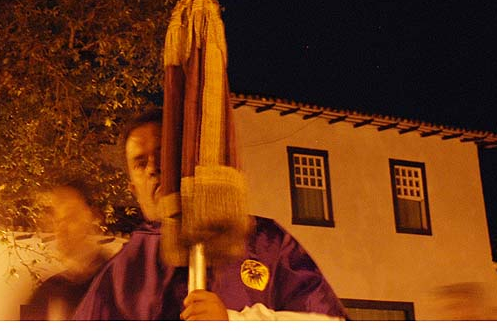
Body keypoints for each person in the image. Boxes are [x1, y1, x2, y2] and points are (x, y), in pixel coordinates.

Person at [73, 108, 346, 321]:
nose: (153, 168)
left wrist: (234, 323)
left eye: (163, 153)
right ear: (133, 188)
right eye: (140, 163)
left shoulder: (264, 242)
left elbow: (329, 323)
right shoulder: (122, 273)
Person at [23, 181, 116, 321]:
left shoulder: (116, 285)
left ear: (93, 217)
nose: (62, 228)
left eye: (71, 217)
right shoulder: (47, 293)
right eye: (57, 220)